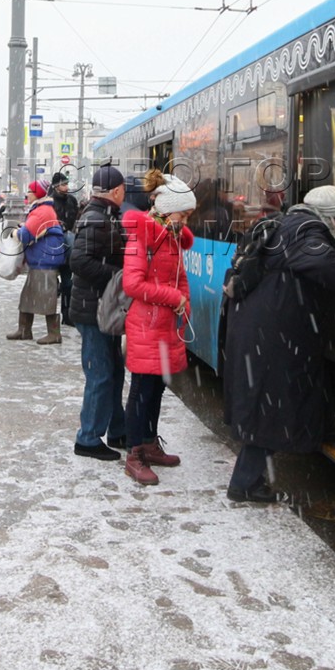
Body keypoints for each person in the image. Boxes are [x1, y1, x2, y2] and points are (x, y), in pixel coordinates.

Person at [222, 186, 335, 504]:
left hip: (266, 330)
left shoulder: (291, 223)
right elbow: (320, 262)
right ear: (326, 216)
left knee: (282, 396)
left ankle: (323, 427)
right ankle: (245, 484)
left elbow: (305, 253)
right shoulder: (307, 229)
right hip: (274, 335)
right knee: (270, 408)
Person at [119, 172, 195, 486]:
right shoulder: (142, 238)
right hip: (146, 325)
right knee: (141, 391)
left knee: (157, 388)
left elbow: (180, 277)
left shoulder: (171, 236)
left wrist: (184, 303)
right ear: (166, 209)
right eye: (183, 214)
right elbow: (132, 284)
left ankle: (149, 443)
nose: (186, 221)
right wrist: (174, 298)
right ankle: (134, 454)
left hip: (165, 326)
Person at [66, 165, 128, 461]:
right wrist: (118, 276)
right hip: (93, 310)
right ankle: (88, 438)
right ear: (115, 191)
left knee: (113, 372)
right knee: (101, 374)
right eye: (123, 189)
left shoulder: (104, 215)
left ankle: (117, 429)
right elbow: (79, 261)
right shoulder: (95, 218)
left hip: (102, 308)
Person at [7, 180, 66, 345]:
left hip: (45, 261)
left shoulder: (41, 211)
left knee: (47, 298)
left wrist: (15, 233)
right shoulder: (42, 209)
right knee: (28, 296)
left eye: (30, 191)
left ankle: (54, 334)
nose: (27, 194)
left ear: (38, 194)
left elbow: (26, 235)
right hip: (41, 260)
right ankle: (24, 330)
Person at [49, 171, 79, 316]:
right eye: (64, 184)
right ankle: (50, 315)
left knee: (68, 282)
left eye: (67, 184)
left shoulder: (71, 200)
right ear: (56, 186)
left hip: (68, 245)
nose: (67, 187)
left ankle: (66, 314)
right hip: (53, 246)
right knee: (51, 282)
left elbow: (76, 219)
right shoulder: (49, 202)